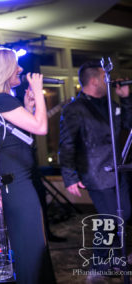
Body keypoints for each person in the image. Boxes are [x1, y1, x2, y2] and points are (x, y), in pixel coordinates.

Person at [0, 47, 56, 284]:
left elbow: (16, 139)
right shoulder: (2, 100)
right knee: (33, 249)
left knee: (29, 248)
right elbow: (41, 128)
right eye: (16, 65)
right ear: (5, 70)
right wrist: (38, 91)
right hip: (19, 184)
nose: (21, 69)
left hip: (16, 182)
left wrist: (28, 105)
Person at [59, 61, 132, 270]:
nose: (107, 80)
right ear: (93, 80)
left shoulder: (111, 104)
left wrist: (126, 98)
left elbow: (128, 124)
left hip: (117, 168)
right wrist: (70, 176)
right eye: (104, 77)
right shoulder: (74, 109)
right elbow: (67, 144)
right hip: (94, 171)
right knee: (110, 218)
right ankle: (99, 264)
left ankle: (115, 257)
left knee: (124, 213)